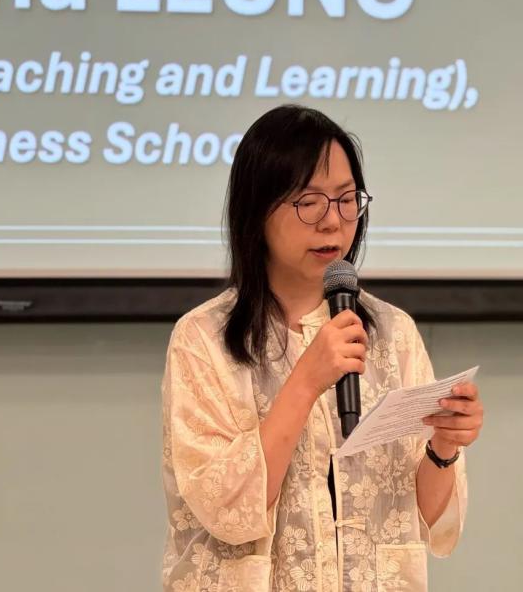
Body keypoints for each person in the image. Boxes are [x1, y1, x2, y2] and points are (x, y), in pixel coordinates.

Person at [161, 105, 483, 591]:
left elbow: (420, 520)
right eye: (309, 202)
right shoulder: (203, 339)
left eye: (347, 199)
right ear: (257, 210)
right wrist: (306, 381)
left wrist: (444, 446)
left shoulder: (393, 333)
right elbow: (226, 511)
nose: (333, 221)